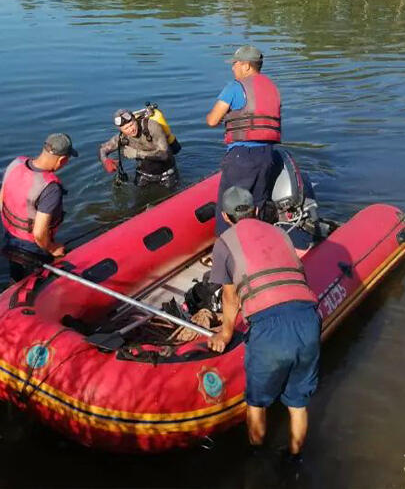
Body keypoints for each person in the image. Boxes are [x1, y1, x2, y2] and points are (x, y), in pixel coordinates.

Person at [207, 186, 320, 462]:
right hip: (307, 318)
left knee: (257, 403)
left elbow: (230, 296)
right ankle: (295, 460)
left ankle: (257, 459)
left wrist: (225, 333)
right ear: (256, 210)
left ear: (225, 215)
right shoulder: (280, 233)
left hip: (270, 327)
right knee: (297, 404)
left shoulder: (224, 243)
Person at [206, 44, 283, 235]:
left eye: (236, 63)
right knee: (258, 203)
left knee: (230, 205)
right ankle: (257, 246)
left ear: (247, 66)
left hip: (242, 156)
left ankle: (226, 252)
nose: (232, 67)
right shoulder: (272, 87)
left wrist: (230, 116)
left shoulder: (235, 87)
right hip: (266, 156)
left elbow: (212, 120)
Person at [0, 133, 78, 280]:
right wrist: (53, 249)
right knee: (40, 283)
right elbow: (39, 234)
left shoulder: (16, 163)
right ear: (62, 160)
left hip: (10, 238)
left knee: (17, 278)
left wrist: (12, 230)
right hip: (33, 249)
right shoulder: (51, 188)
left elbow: (1, 198)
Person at [98, 109, 179, 189]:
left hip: (167, 173)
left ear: (135, 119)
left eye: (131, 124)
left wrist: (136, 153)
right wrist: (105, 161)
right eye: (126, 128)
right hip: (143, 174)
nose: (131, 129)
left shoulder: (152, 127)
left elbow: (164, 154)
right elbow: (103, 149)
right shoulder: (122, 138)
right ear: (120, 130)